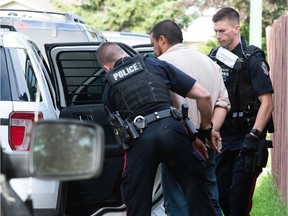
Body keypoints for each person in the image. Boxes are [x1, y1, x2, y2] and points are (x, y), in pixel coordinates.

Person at [97, 41, 216, 216]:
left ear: (107, 68)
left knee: (136, 201)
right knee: (197, 193)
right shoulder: (153, 63)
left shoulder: (108, 87)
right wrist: (204, 131)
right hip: (172, 130)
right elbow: (204, 95)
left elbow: (120, 133)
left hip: (139, 138)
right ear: (125, 54)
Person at [150, 20, 230, 216]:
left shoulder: (160, 66)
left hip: (178, 144)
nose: (153, 51)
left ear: (162, 40)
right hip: (207, 141)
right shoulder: (210, 62)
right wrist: (210, 131)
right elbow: (223, 102)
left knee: (178, 204)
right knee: (211, 199)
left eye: (153, 44)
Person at [208, 7, 274, 216]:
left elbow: (267, 102)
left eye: (223, 31)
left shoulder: (252, 59)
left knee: (239, 198)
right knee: (221, 196)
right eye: (216, 31)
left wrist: (254, 136)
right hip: (223, 137)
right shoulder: (214, 58)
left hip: (247, 137)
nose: (218, 36)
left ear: (236, 29)